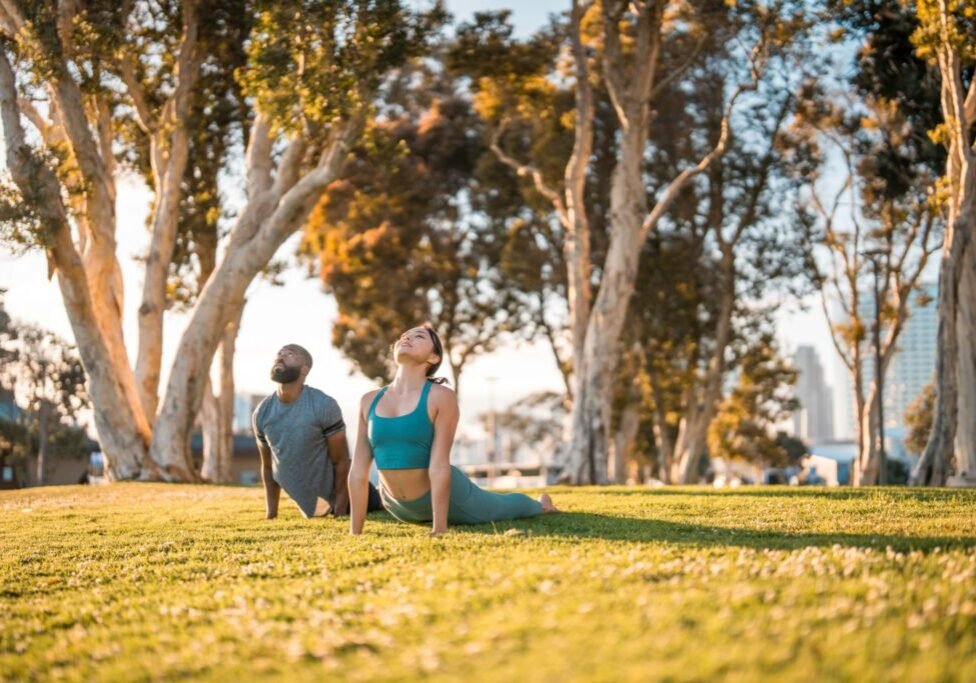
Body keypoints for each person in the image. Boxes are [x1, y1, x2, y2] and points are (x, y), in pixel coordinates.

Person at [348, 324, 557, 536]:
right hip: (397, 507)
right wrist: (355, 532)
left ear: (433, 358)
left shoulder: (440, 396)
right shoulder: (368, 400)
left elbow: (439, 464)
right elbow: (357, 471)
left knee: (502, 505)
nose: (406, 338)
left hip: (449, 498)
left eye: (418, 336)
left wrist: (439, 529)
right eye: (403, 336)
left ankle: (542, 505)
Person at [252, 344, 384, 520]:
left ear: (304, 370)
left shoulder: (323, 405)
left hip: (354, 496)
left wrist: (340, 510)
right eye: (279, 353)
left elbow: (342, 462)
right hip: (315, 507)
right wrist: (271, 514)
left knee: (383, 503)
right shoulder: (262, 413)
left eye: (290, 354)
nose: (281, 356)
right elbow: (268, 467)